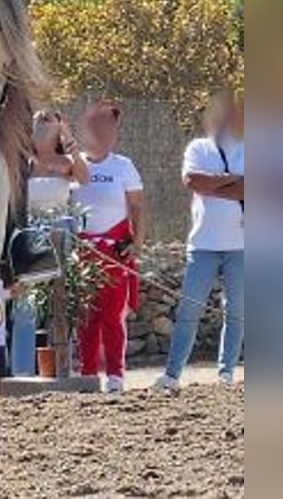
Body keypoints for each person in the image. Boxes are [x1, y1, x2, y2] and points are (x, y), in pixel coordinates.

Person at [155, 91, 244, 390]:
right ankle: (172, 374)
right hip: (203, 243)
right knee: (189, 309)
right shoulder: (197, 147)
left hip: (242, 244)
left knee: (237, 310)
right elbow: (193, 181)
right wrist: (231, 181)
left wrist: (214, 183)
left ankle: (226, 372)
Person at [71, 101, 145, 394]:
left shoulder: (123, 166)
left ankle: (115, 374)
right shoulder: (75, 165)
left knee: (113, 316)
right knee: (86, 316)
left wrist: (136, 242)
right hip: (82, 250)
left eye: (110, 128)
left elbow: (137, 206)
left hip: (114, 249)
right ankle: (88, 372)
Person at [10, 110, 89, 375]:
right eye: (39, 121)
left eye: (49, 121)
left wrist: (68, 139)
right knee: (26, 305)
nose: (43, 125)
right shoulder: (25, 162)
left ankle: (64, 365)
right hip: (30, 232)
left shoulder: (66, 162)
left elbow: (84, 177)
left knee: (62, 300)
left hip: (60, 231)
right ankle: (22, 371)